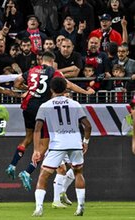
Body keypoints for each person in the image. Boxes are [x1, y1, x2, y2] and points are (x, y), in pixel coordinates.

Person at [6, 51, 95, 191]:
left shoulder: (32, 70)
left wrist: (28, 89)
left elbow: (17, 82)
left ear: (42, 60)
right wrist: (86, 92)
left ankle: (13, 164)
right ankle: (27, 171)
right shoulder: (53, 72)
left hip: (28, 106)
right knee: (45, 144)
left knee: (29, 137)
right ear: (52, 61)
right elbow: (69, 85)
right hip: (42, 108)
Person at [31, 77, 91, 217]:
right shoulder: (74, 103)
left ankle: (39, 208)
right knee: (78, 173)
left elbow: (37, 129)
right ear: (66, 89)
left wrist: (36, 150)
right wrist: (85, 142)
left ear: (51, 89)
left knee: (43, 175)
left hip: (57, 144)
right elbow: (87, 126)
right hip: (75, 143)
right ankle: (80, 207)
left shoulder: (45, 105)